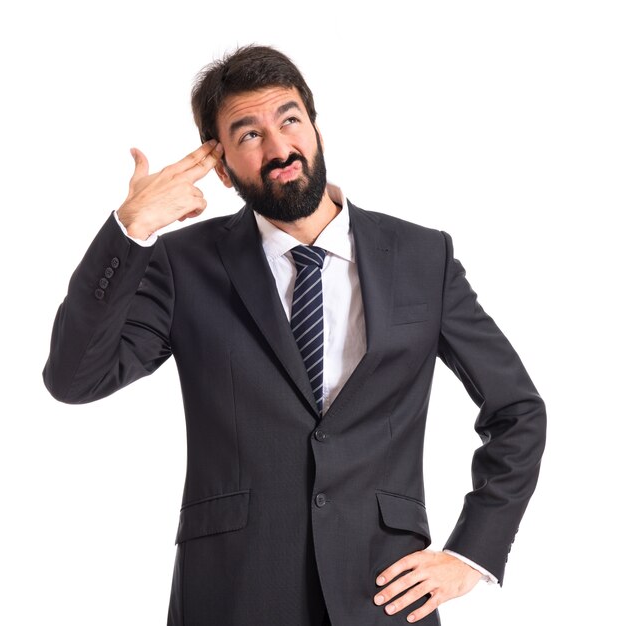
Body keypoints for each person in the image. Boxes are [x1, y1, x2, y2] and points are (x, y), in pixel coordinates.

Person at [42, 44, 547, 626]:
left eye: (289, 121)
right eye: (249, 134)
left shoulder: (421, 257)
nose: (280, 149)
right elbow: (74, 379)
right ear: (224, 167)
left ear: (316, 130)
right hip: (233, 593)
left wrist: (470, 554)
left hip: (384, 595)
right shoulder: (183, 266)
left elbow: (517, 410)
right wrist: (130, 232)